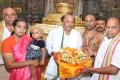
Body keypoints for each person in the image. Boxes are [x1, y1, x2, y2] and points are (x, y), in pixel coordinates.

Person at [45, 14, 83, 80]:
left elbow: (78, 49)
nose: (70, 24)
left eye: (72, 22)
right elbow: (48, 45)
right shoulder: (54, 32)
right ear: (62, 22)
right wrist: (53, 53)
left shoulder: (77, 34)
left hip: (70, 63)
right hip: (55, 61)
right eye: (67, 21)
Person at [0, 7, 17, 80]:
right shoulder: (1, 28)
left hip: (20, 66)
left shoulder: (23, 28)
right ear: (3, 17)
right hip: (2, 65)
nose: (10, 17)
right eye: (7, 15)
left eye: (12, 14)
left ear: (16, 16)